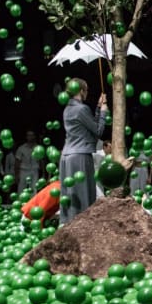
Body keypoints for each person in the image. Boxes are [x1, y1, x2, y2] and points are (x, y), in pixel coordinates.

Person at [59, 78, 109, 224]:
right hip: (80, 155)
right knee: (83, 194)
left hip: (66, 156)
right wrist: (104, 113)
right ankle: (84, 227)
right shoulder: (82, 109)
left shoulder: (67, 109)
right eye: (86, 90)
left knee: (70, 195)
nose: (87, 93)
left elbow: (87, 127)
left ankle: (69, 226)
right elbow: (98, 131)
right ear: (81, 91)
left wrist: (99, 108)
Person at [13, 130, 41, 195]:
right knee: (21, 189)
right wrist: (16, 175)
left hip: (34, 170)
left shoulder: (38, 148)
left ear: (34, 136)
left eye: (32, 135)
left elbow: (41, 161)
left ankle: (33, 204)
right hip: (23, 170)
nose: (30, 137)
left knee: (34, 189)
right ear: (26, 137)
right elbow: (17, 162)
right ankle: (20, 204)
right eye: (29, 135)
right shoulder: (21, 148)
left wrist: (43, 174)